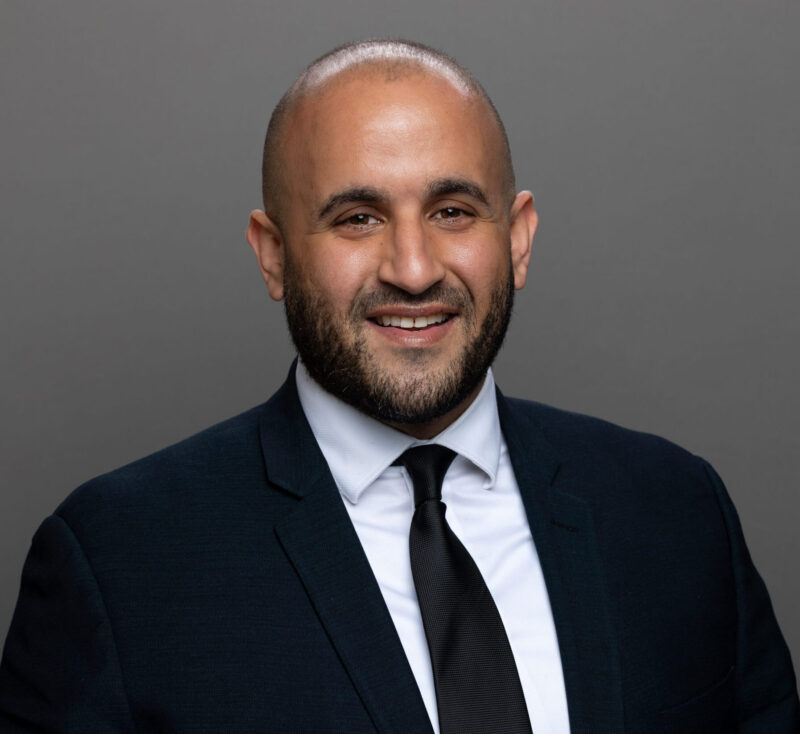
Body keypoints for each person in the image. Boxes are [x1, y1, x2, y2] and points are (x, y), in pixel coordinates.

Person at [0, 39, 797, 734]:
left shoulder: (679, 515)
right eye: (357, 218)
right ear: (272, 254)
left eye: (453, 210)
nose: (413, 270)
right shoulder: (116, 566)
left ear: (517, 240)